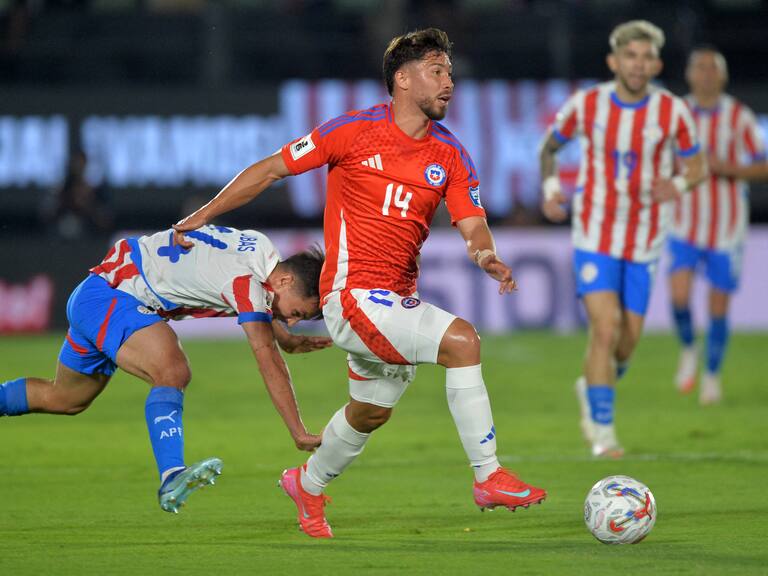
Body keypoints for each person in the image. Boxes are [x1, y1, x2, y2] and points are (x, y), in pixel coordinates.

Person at [173, 28, 546, 539]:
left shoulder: (452, 155)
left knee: (370, 412)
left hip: (393, 299)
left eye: (450, 74)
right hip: (350, 296)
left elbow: (471, 221)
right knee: (463, 342)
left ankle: (307, 483)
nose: (449, 83)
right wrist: (204, 214)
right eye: (437, 72)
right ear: (402, 78)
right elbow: (270, 170)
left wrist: (486, 255)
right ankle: (488, 476)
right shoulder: (351, 131)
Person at [0, 225, 331, 513]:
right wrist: (297, 430)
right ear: (285, 279)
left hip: (100, 293)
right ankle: (172, 474)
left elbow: (256, 301)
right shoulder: (249, 285)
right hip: (114, 299)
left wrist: (285, 336)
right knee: (172, 371)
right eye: (297, 312)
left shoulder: (260, 248)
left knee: (65, 398)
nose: (291, 320)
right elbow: (267, 358)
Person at [539, 20, 707, 457]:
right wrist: (552, 189)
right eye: (630, 56)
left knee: (627, 342)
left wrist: (679, 185)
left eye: (646, 57)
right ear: (614, 61)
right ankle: (604, 434)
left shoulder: (672, 111)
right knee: (605, 326)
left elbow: (697, 167)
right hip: (595, 234)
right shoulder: (586, 104)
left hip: (646, 239)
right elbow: (549, 148)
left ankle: (591, 385)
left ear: (657, 63)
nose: (638, 64)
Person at [668, 47, 768, 405]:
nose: (707, 73)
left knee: (718, 306)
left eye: (713, 68)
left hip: (726, 229)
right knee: (678, 296)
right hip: (683, 224)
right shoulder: (675, 113)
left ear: (723, 76)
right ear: (690, 74)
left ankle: (711, 375)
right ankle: (688, 348)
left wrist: (729, 169)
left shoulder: (739, 117)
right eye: (700, 67)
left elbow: (763, 166)